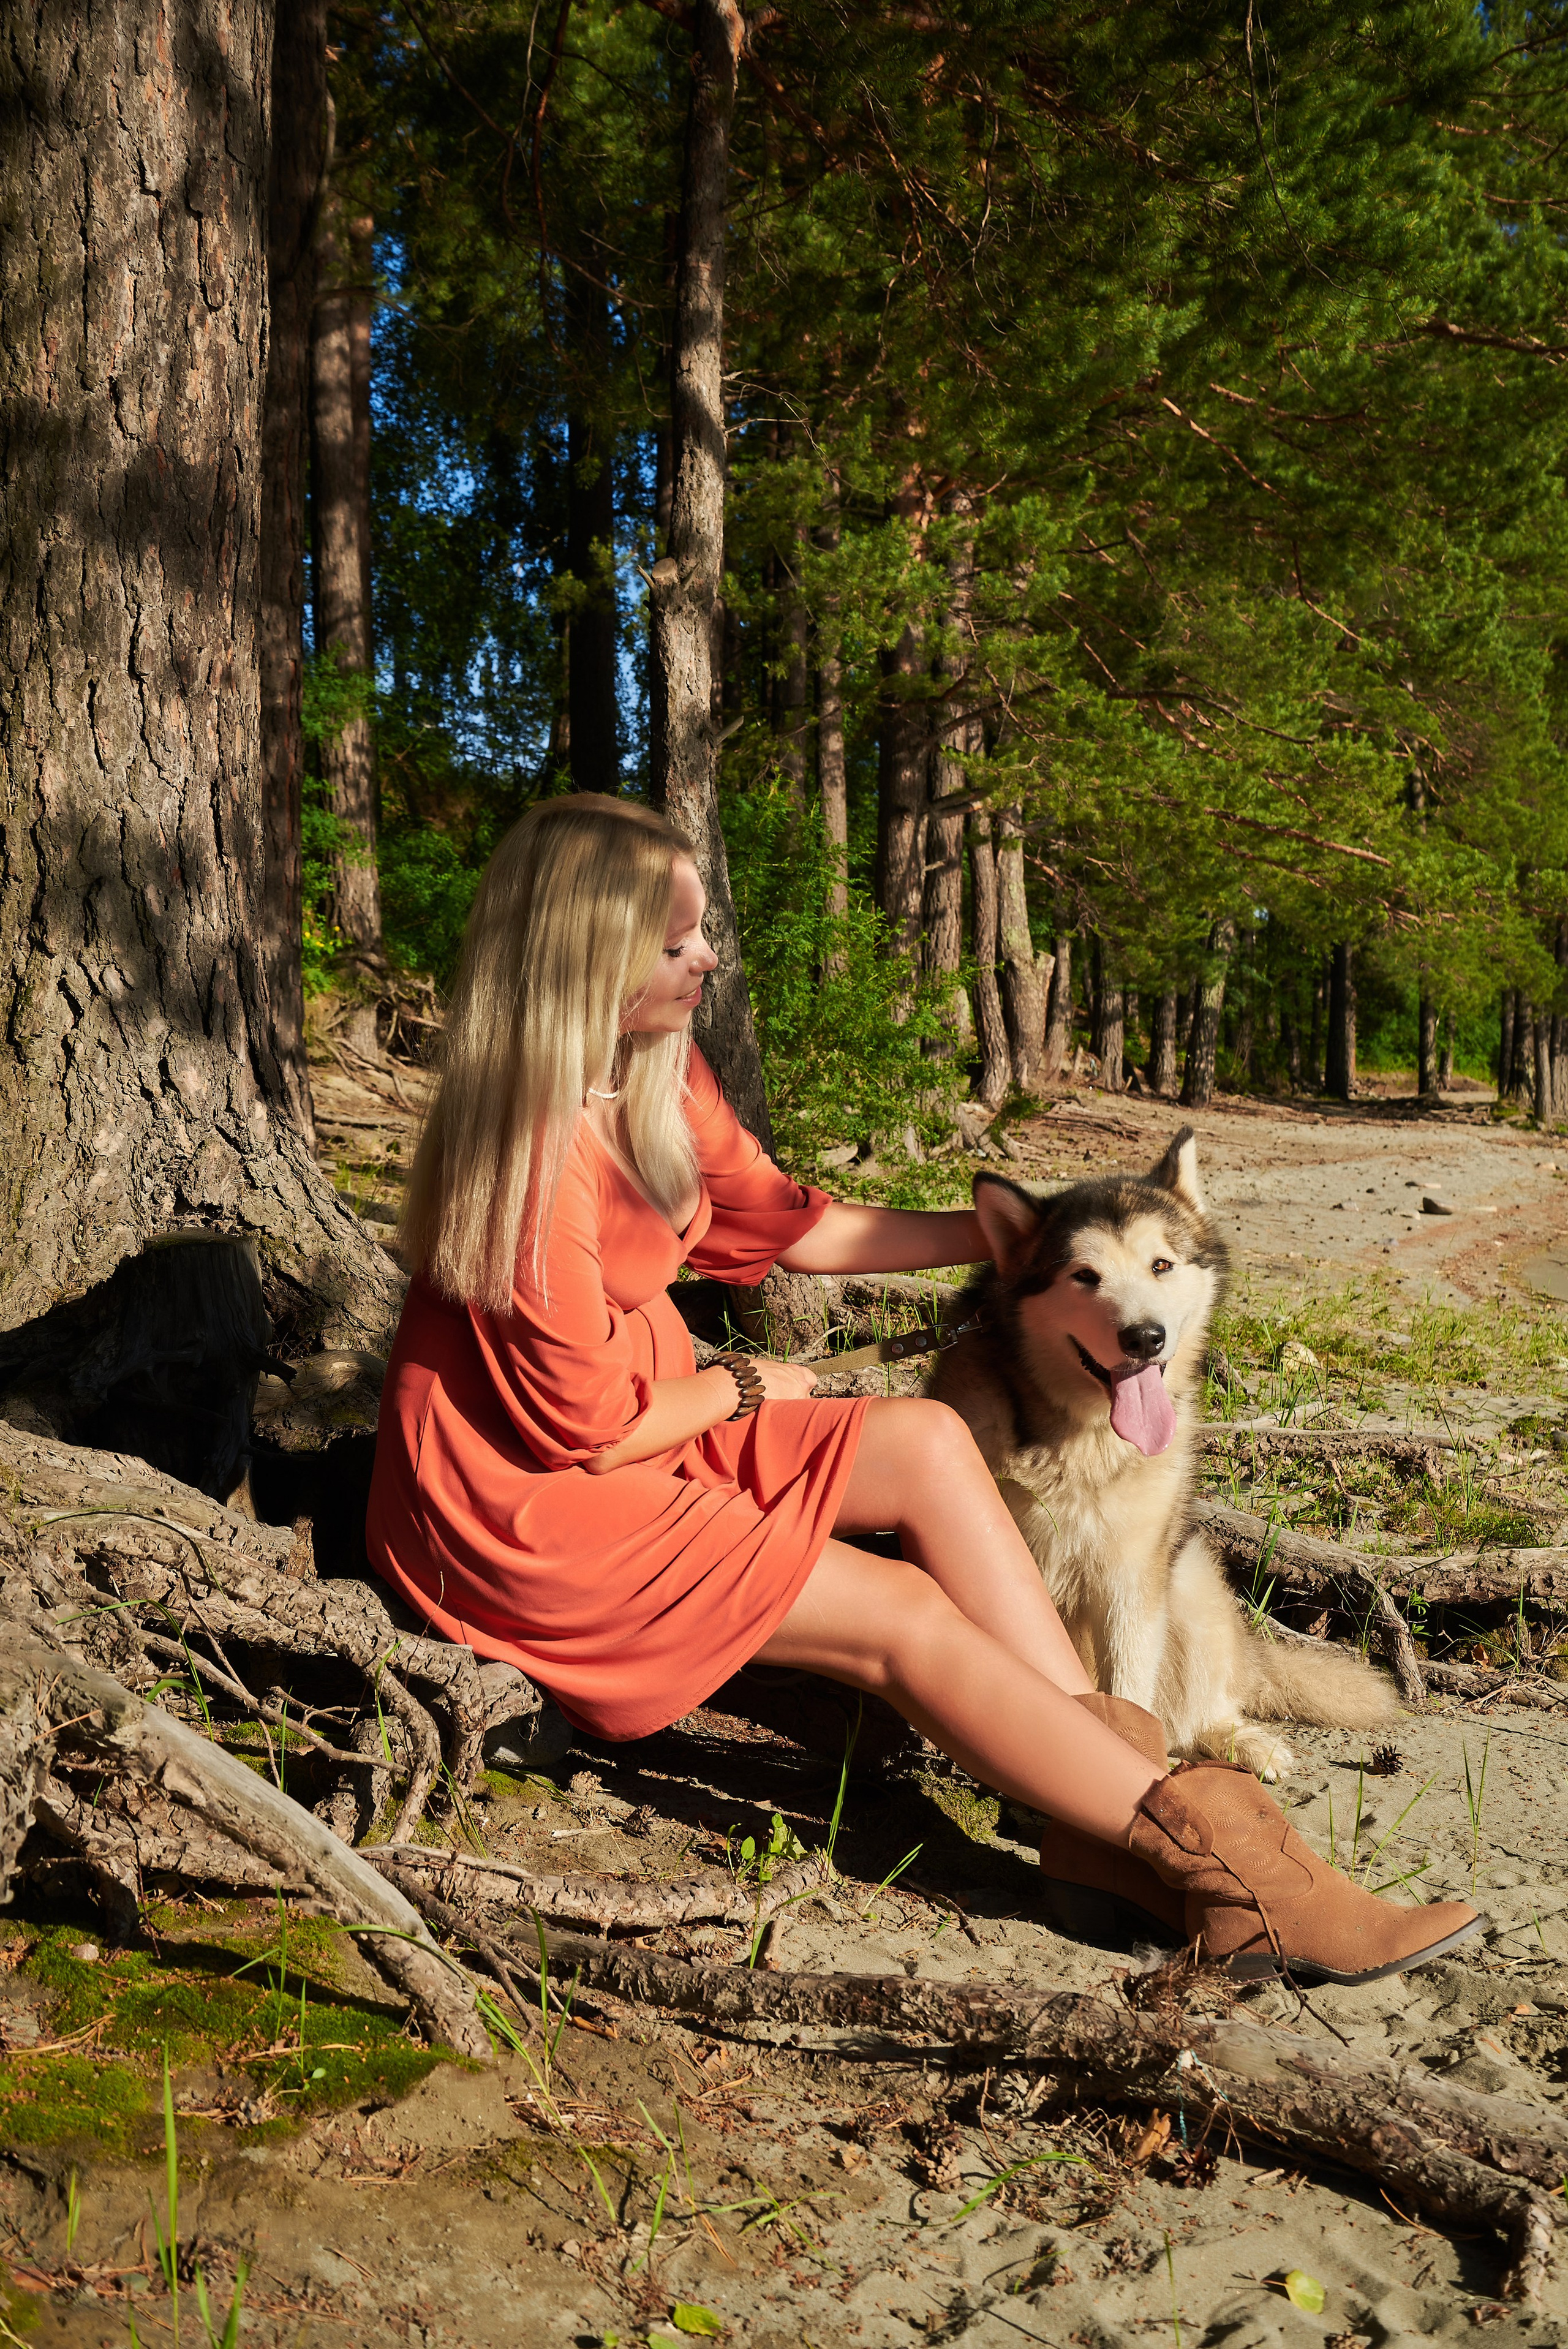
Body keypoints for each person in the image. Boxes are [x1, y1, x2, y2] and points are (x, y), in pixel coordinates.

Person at [368, 794, 1480, 1986]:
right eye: (676, 940)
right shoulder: (530, 1161)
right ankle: (1244, 1887)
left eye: (702, 930)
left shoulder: (653, 1071)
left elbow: (798, 1228)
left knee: (926, 1444)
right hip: (531, 1505)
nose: (709, 956)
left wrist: (1025, 1240)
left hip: (640, 1416)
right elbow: (588, 1436)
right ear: (585, 957)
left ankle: (1094, 1817)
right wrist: (746, 1383)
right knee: (900, 1621)